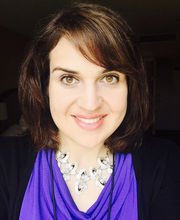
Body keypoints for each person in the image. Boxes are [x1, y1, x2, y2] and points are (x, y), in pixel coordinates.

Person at [0, 2, 180, 220]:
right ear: (44, 87)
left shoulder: (165, 162)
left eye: (109, 77)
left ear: (130, 86)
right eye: (69, 78)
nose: (90, 103)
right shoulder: (5, 161)